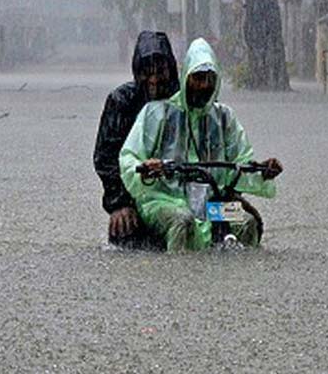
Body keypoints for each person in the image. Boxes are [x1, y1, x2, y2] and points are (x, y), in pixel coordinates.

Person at [119, 37, 282, 252]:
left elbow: (241, 163)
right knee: (182, 221)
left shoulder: (225, 118)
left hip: (213, 205)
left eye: (210, 79)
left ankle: (241, 283)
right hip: (164, 200)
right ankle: (179, 279)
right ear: (186, 77)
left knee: (246, 222)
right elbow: (129, 157)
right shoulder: (157, 113)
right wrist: (146, 170)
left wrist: (263, 172)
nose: (204, 85)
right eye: (198, 78)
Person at [94, 30, 179, 249]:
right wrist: (119, 203)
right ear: (136, 72)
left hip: (184, 192)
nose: (154, 80)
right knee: (126, 230)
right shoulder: (121, 101)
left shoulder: (185, 100)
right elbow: (106, 158)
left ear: (172, 69)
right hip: (135, 195)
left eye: (160, 71)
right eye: (146, 72)